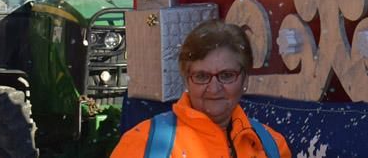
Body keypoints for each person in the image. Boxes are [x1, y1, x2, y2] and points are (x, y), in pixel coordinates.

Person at [112, 20, 291, 158]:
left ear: (245, 79)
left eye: (227, 75)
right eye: (201, 76)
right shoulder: (143, 143)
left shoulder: (271, 145)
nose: (214, 89)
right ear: (186, 79)